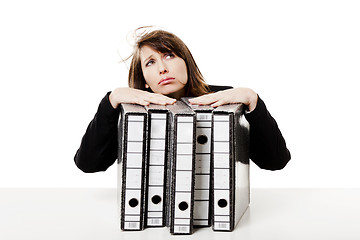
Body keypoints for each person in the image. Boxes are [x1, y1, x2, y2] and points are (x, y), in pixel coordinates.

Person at [74, 27, 291, 173]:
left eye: (169, 55)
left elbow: (275, 161)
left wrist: (253, 101)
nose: (162, 68)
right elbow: (89, 164)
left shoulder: (224, 100)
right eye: (150, 62)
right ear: (145, 80)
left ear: (186, 62)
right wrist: (110, 103)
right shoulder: (134, 110)